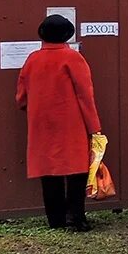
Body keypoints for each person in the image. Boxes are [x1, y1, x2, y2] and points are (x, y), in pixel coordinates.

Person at [15, 14, 102, 232]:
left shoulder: (32, 59)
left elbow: (21, 97)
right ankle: (76, 218)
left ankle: (55, 218)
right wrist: (94, 127)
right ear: (68, 34)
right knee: (76, 170)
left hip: (41, 123)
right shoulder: (72, 58)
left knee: (49, 171)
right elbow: (85, 94)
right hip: (71, 121)